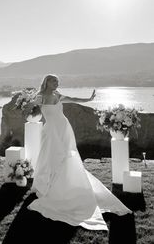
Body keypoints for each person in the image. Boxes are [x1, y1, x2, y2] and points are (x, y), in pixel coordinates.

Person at [27, 74, 131, 231]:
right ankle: (47, 184)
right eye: (53, 80)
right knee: (50, 155)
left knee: (66, 156)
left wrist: (88, 99)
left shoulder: (57, 95)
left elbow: (73, 98)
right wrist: (26, 105)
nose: (56, 83)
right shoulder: (40, 97)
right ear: (46, 82)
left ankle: (62, 184)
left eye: (57, 81)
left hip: (63, 128)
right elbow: (31, 110)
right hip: (51, 131)